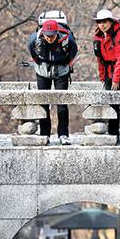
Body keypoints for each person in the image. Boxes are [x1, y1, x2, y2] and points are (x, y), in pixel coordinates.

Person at [28, 15, 78, 145]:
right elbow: (32, 52)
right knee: (43, 103)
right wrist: (39, 62)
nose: (49, 38)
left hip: (61, 72)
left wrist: (66, 64)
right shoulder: (35, 39)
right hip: (42, 71)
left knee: (61, 104)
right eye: (47, 35)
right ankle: (45, 134)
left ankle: (63, 134)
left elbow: (73, 53)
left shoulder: (68, 40)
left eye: (52, 35)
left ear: (57, 33)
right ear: (43, 33)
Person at [93, 8, 120, 145]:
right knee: (112, 106)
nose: (102, 24)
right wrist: (103, 77)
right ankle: (114, 134)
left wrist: (116, 78)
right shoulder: (99, 37)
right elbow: (100, 59)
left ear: (111, 22)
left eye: (105, 21)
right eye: (99, 22)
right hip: (109, 75)